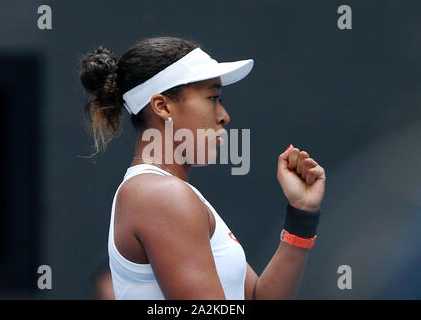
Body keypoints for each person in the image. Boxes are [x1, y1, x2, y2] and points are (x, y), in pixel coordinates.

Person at [79, 36, 326, 300]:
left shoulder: (168, 193)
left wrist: (302, 215)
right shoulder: (160, 195)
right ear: (163, 106)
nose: (224, 116)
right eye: (213, 97)